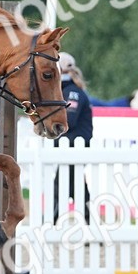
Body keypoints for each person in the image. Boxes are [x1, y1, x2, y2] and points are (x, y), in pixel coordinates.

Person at [53, 52, 93, 221]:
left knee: (60, 186)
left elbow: (69, 120)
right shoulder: (68, 90)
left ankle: (49, 221)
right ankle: (90, 225)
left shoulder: (72, 93)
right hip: (71, 148)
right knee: (76, 188)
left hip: (72, 148)